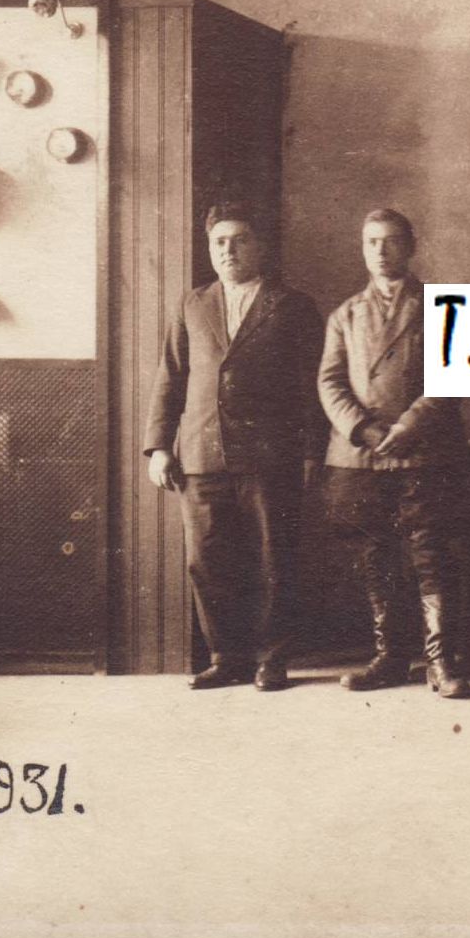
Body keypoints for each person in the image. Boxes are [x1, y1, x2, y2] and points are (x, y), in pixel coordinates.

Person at [145, 201, 326, 692]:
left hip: (270, 456)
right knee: (208, 561)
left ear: (259, 246)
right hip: (201, 454)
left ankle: (272, 658)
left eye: (240, 240)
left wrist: (312, 452)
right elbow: (171, 377)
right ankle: (227, 656)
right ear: (210, 249)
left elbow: (311, 385)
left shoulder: (292, 306)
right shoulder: (192, 304)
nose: (229, 250)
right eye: (219, 242)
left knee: (273, 558)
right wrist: (159, 446)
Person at [320, 209, 470, 699]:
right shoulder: (345, 315)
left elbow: (453, 375)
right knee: (375, 555)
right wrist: (363, 428)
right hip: (362, 455)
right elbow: (330, 381)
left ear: (410, 247)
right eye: (371, 242)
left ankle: (440, 661)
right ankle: (389, 658)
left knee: (431, 554)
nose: (381, 251)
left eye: (390, 241)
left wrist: (410, 424)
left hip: (424, 449)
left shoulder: (441, 306)